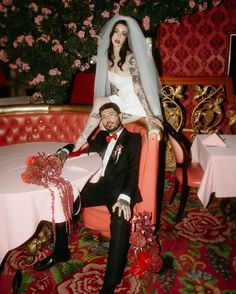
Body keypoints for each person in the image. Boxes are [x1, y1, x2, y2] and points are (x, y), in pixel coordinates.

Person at [33, 102, 143, 294]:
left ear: (120, 116)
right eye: (104, 117)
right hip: (98, 186)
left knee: (120, 222)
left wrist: (125, 197)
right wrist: (64, 152)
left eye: (111, 114)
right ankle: (61, 251)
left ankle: (110, 282)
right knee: (63, 198)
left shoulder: (133, 139)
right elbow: (79, 147)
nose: (108, 119)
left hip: (119, 191)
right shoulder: (101, 135)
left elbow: (133, 171)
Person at [73, 14, 163, 154]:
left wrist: (149, 113)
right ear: (111, 34)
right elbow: (115, 86)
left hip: (135, 104)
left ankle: (110, 153)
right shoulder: (108, 57)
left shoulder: (130, 58)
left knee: (103, 125)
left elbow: (138, 88)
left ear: (127, 38)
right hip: (121, 99)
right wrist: (112, 104)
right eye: (116, 31)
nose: (118, 36)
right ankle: (82, 139)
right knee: (99, 101)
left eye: (123, 34)